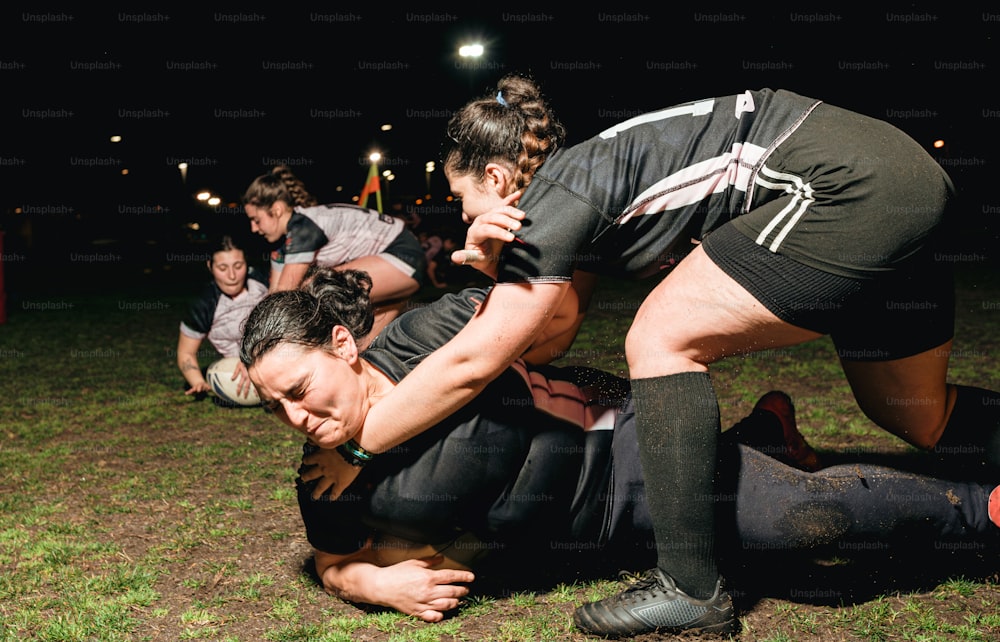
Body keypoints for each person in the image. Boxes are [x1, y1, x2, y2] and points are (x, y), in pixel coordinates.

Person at [307, 74, 1000, 637]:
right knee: (917, 413)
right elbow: (553, 329)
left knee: (658, 337)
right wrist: (499, 267)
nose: (462, 215)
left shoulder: (554, 200)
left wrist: (359, 446)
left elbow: (474, 361)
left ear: (495, 174)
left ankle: (692, 588)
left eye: (463, 198)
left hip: (847, 189)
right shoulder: (565, 196)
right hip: (894, 177)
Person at [239, 266, 1000, 625]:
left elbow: (555, 311)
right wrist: (373, 586)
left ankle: (983, 511)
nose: (295, 416)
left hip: (628, 451)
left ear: (342, 343)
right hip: (595, 539)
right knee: (747, 533)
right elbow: (333, 562)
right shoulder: (324, 476)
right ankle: (765, 432)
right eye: (274, 406)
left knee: (797, 525)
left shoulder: (429, 336)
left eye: (300, 389)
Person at [242, 165, 427, 345]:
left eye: (256, 220)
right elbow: (273, 297)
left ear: (277, 210)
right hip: (398, 263)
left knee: (313, 288)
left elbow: (284, 298)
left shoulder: (303, 228)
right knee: (363, 349)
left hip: (402, 255)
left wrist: (258, 344)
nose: (252, 228)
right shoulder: (286, 239)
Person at [177, 234, 268, 403]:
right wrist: (197, 381)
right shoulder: (204, 304)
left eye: (238, 266)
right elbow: (186, 352)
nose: (232, 276)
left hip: (274, 356)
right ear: (210, 267)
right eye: (223, 268)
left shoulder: (265, 282)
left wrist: (254, 357)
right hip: (235, 368)